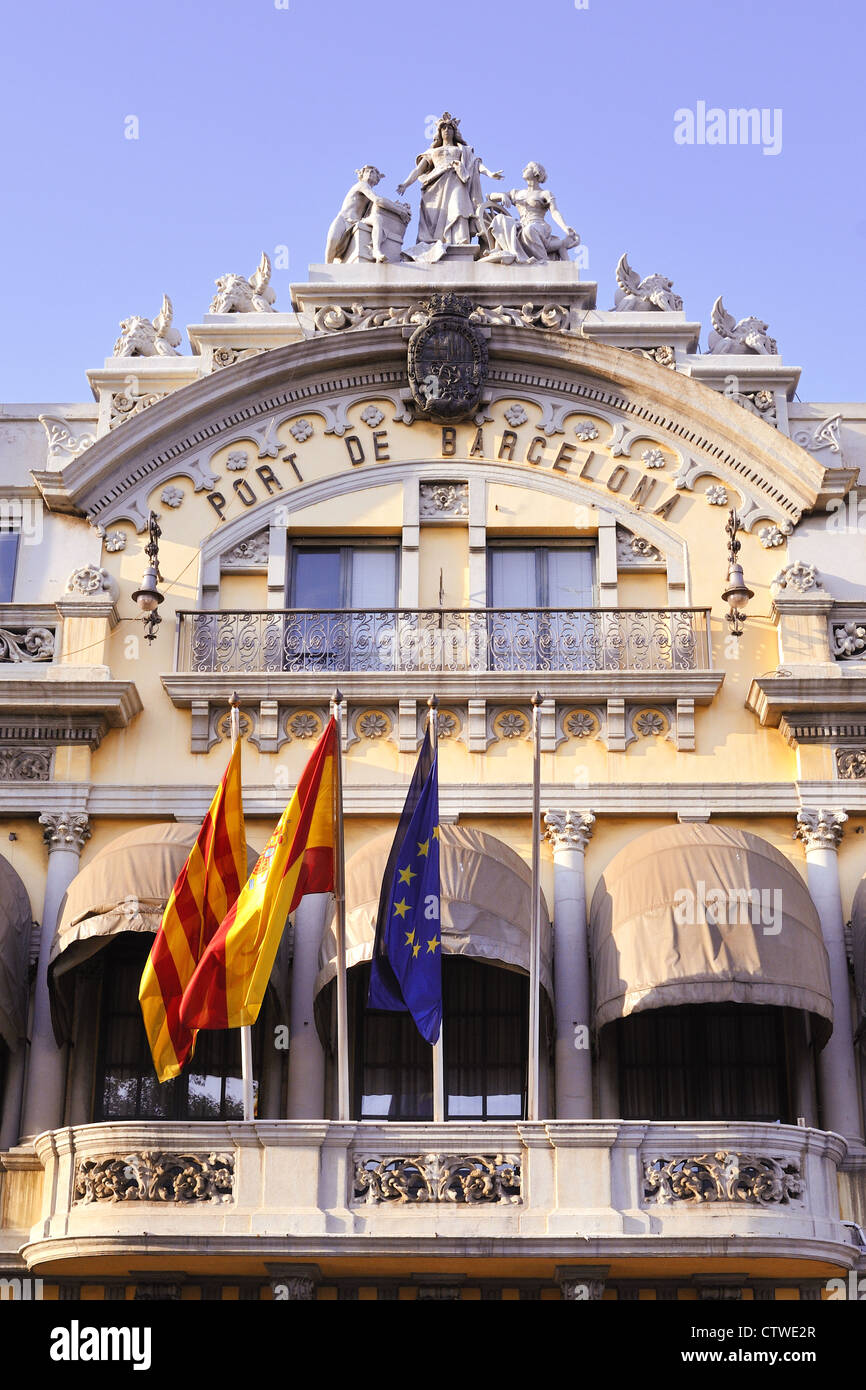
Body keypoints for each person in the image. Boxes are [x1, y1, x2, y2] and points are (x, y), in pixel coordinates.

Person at [397, 113, 502, 259]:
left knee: (458, 209)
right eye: (443, 128)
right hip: (435, 184)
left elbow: (476, 164)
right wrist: (405, 184)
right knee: (434, 214)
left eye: (450, 128)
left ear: (454, 131)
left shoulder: (463, 150)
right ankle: (435, 243)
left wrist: (490, 174)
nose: (447, 130)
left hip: (457, 179)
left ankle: (460, 241)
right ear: (439, 132)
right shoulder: (432, 151)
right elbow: (418, 170)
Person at [479, 162, 579, 264]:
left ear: (536, 172)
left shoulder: (544, 193)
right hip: (521, 225)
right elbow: (491, 196)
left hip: (539, 225)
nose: (523, 169)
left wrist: (565, 227)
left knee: (529, 230)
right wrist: (501, 195)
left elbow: (555, 212)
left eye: (527, 168)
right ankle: (499, 248)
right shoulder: (517, 193)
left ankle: (543, 260)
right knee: (500, 218)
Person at [325, 166, 410, 264]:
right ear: (361, 175)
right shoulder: (362, 185)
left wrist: (399, 207)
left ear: (377, 179)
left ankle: (376, 251)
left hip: (357, 221)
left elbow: (380, 204)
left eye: (373, 172)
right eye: (367, 171)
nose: (370, 173)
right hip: (344, 219)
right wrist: (399, 210)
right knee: (332, 241)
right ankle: (327, 266)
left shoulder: (370, 191)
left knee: (377, 219)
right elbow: (378, 200)